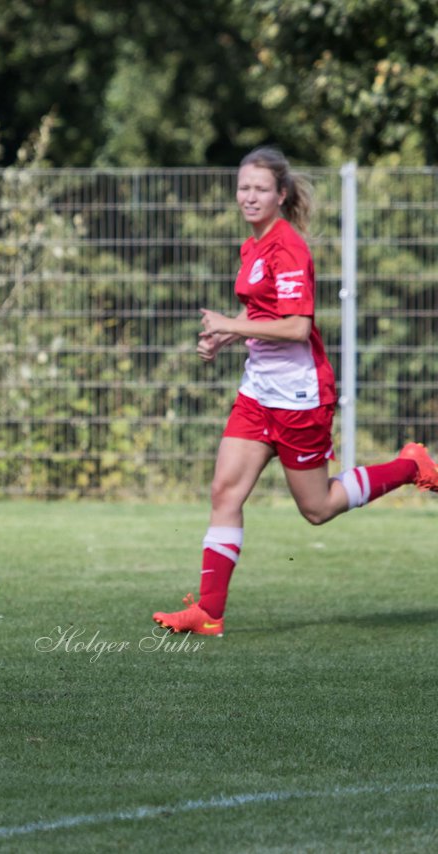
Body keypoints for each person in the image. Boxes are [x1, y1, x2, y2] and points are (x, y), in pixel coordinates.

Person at [153, 146, 438, 637]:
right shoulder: (253, 245)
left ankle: (412, 465)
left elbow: (298, 328)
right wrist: (227, 334)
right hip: (257, 392)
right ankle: (209, 611)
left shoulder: (288, 247)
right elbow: (265, 320)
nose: (250, 196)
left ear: (281, 195)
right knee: (225, 491)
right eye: (244, 187)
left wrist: (232, 323)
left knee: (318, 508)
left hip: (300, 396)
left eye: (261, 188)